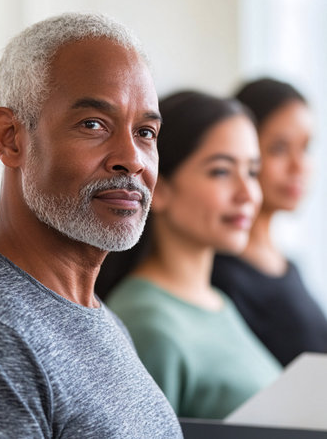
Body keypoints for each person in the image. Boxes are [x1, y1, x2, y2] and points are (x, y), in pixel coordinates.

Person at [0, 13, 183, 438]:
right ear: (10, 138)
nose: (131, 159)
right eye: (93, 124)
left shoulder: (101, 319)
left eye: (146, 132)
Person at [105, 91, 281, 420]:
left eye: (253, 172)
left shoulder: (217, 303)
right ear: (159, 188)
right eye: (221, 171)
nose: (248, 194)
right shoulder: (148, 323)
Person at [212, 77, 327, 367]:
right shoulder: (220, 276)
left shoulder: (291, 267)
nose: (298, 166)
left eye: (306, 148)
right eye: (279, 148)